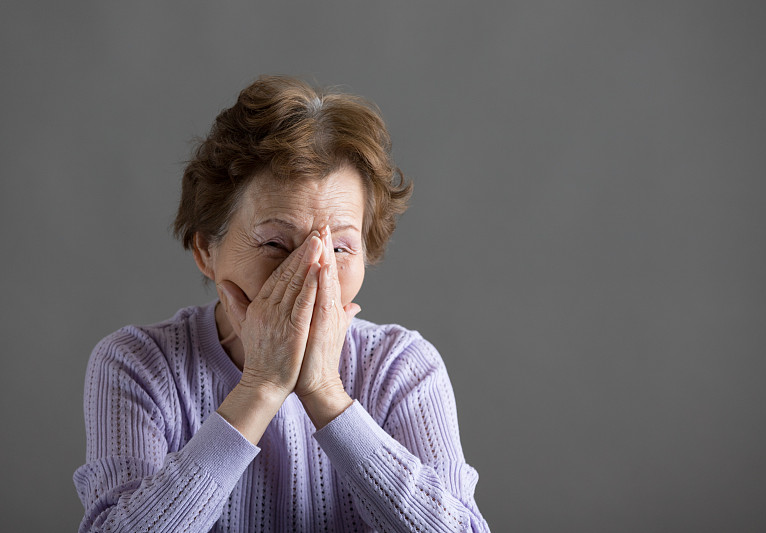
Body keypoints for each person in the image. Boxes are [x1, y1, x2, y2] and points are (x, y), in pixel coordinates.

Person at [73, 76, 489, 532]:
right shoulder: (137, 364)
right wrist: (260, 388)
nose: (313, 272)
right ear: (206, 251)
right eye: (274, 242)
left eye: (341, 248)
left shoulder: (401, 368)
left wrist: (327, 395)